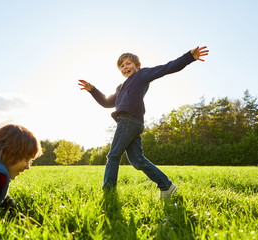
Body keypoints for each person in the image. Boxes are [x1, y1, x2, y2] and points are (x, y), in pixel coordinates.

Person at [78, 46, 209, 199]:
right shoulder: (120, 87)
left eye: (128, 63)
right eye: (121, 65)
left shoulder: (141, 75)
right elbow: (107, 103)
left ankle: (108, 194)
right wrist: (92, 89)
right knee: (137, 160)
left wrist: (189, 57)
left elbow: (167, 68)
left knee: (113, 156)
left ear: (137, 66)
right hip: (131, 122)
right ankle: (166, 186)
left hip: (129, 120)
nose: (125, 67)